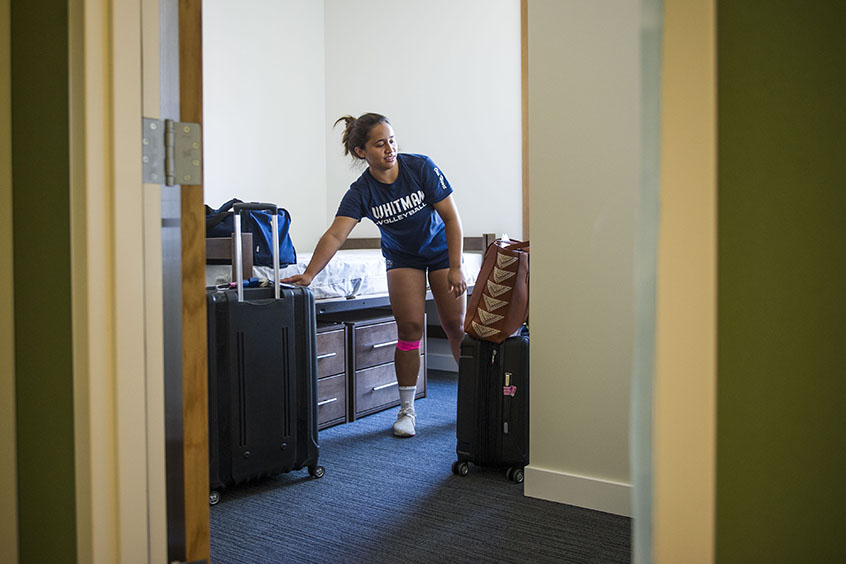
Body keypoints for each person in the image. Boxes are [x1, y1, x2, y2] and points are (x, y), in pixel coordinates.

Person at [282, 112, 467, 438]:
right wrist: (310, 274)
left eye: (392, 141)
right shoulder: (362, 191)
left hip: (440, 252)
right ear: (361, 152)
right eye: (380, 144)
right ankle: (407, 410)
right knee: (409, 330)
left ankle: (470, 401)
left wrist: (455, 266)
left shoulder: (420, 167)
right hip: (402, 258)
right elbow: (336, 235)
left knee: (456, 327)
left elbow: (452, 218)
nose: (389, 149)